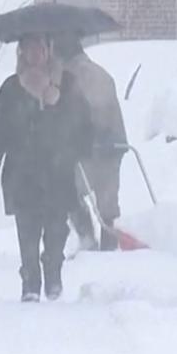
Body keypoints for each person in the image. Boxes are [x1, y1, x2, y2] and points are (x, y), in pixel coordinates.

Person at [0, 34, 93, 302]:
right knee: (27, 231)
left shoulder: (66, 84)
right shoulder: (11, 88)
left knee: (56, 230)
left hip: (58, 171)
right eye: (28, 48)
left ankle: (53, 272)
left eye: (39, 48)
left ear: (48, 51)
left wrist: (80, 148)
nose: (34, 54)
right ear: (21, 52)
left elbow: (83, 123)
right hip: (23, 172)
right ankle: (30, 281)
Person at [53, 32, 128, 252]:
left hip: (87, 148)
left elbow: (75, 115)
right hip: (113, 144)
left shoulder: (70, 77)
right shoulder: (102, 74)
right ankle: (109, 246)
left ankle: (88, 239)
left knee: (68, 193)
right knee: (108, 202)